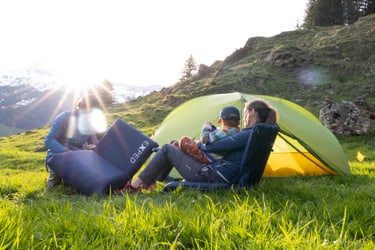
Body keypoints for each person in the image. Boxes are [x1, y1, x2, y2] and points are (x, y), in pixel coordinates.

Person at [118, 99, 278, 194]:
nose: (244, 118)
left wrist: (198, 142)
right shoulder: (260, 132)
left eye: (245, 112)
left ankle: (133, 188)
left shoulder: (249, 133)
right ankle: (149, 180)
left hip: (215, 176)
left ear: (253, 112)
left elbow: (212, 148)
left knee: (168, 148)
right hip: (224, 174)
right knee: (174, 146)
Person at [44, 94, 103, 189]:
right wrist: (66, 151)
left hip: (76, 158)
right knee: (54, 187)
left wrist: (93, 147)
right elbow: (48, 141)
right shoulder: (63, 118)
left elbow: (94, 143)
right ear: (80, 107)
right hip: (57, 156)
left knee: (75, 187)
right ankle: (54, 176)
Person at [173, 106, 241, 163]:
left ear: (223, 120)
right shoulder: (237, 132)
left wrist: (206, 127)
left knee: (183, 140)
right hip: (214, 155)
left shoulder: (225, 132)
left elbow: (204, 139)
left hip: (207, 156)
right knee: (176, 144)